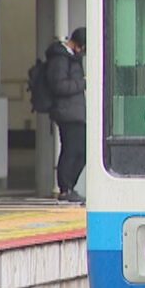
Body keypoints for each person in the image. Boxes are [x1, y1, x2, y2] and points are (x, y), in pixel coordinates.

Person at [45, 27, 86, 203]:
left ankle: (69, 186)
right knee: (71, 150)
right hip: (66, 112)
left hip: (74, 111)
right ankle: (65, 187)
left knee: (82, 150)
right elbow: (59, 86)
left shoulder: (71, 58)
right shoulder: (60, 59)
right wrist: (82, 83)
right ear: (78, 45)